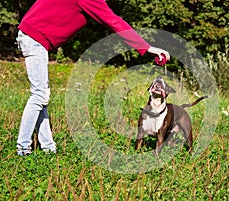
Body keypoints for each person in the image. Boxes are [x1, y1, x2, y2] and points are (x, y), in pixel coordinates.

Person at [16, 0, 170, 156]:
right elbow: (113, 21)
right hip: (34, 39)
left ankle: (48, 147)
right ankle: (22, 148)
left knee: (42, 96)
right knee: (39, 95)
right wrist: (147, 48)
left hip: (32, 37)